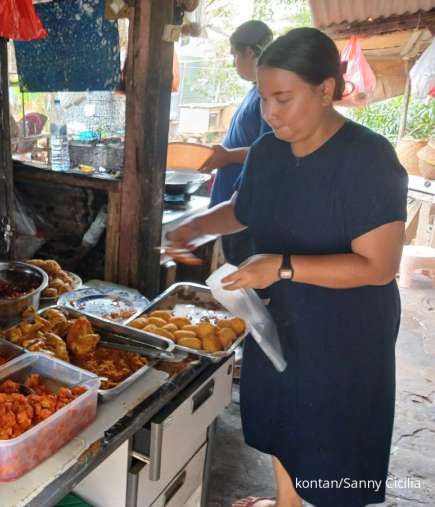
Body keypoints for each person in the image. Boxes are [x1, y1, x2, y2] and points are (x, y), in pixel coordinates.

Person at [167, 27, 407, 507]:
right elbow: (245, 206)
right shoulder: (268, 150)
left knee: (333, 436)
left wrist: (281, 266)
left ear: (325, 90)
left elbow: (378, 266)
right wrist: (195, 226)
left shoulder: (367, 158)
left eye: (283, 98)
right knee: (283, 417)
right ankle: (286, 502)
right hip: (278, 315)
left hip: (346, 329)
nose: (270, 113)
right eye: (262, 99)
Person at [202, 20, 273, 266]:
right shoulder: (254, 91)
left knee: (243, 285)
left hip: (243, 211)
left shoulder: (268, 95)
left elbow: (270, 151)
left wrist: (226, 156)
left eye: (235, 55)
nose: (234, 63)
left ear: (250, 52)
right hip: (230, 206)